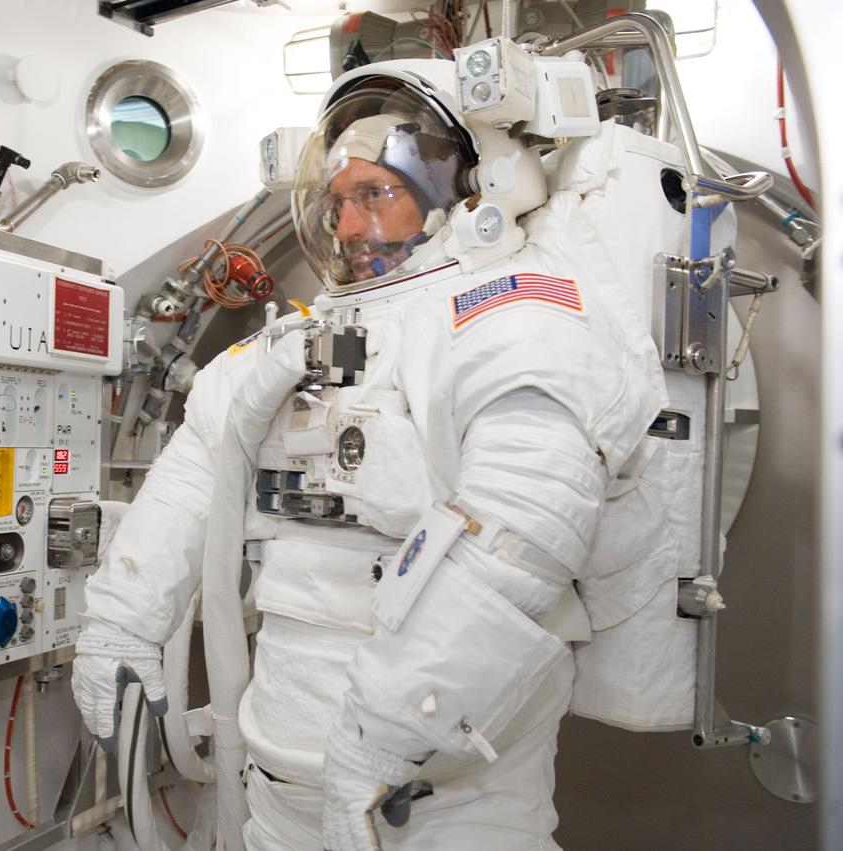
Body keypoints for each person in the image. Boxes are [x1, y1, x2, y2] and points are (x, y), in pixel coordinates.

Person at [72, 59, 664, 849]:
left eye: (375, 195)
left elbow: (518, 539)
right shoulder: (283, 349)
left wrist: (385, 735)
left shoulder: (514, 315)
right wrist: (118, 629)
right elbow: (186, 487)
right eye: (338, 201)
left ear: (457, 192)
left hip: (443, 799)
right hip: (284, 788)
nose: (349, 226)